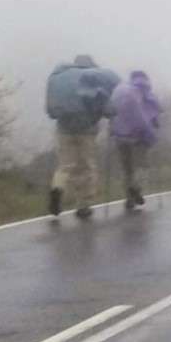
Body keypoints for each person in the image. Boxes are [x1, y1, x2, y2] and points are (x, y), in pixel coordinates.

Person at [44, 54, 119, 220]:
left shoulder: (61, 76)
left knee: (65, 165)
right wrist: (110, 114)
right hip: (87, 130)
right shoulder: (96, 78)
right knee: (87, 165)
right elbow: (106, 107)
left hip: (64, 129)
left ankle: (57, 188)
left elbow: (51, 109)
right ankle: (84, 204)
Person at [108, 69, 162, 211]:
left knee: (127, 169)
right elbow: (155, 114)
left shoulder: (120, 92)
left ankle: (129, 198)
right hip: (139, 137)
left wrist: (112, 129)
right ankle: (136, 187)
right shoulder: (148, 94)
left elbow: (112, 111)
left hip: (120, 137)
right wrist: (154, 127)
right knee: (141, 166)